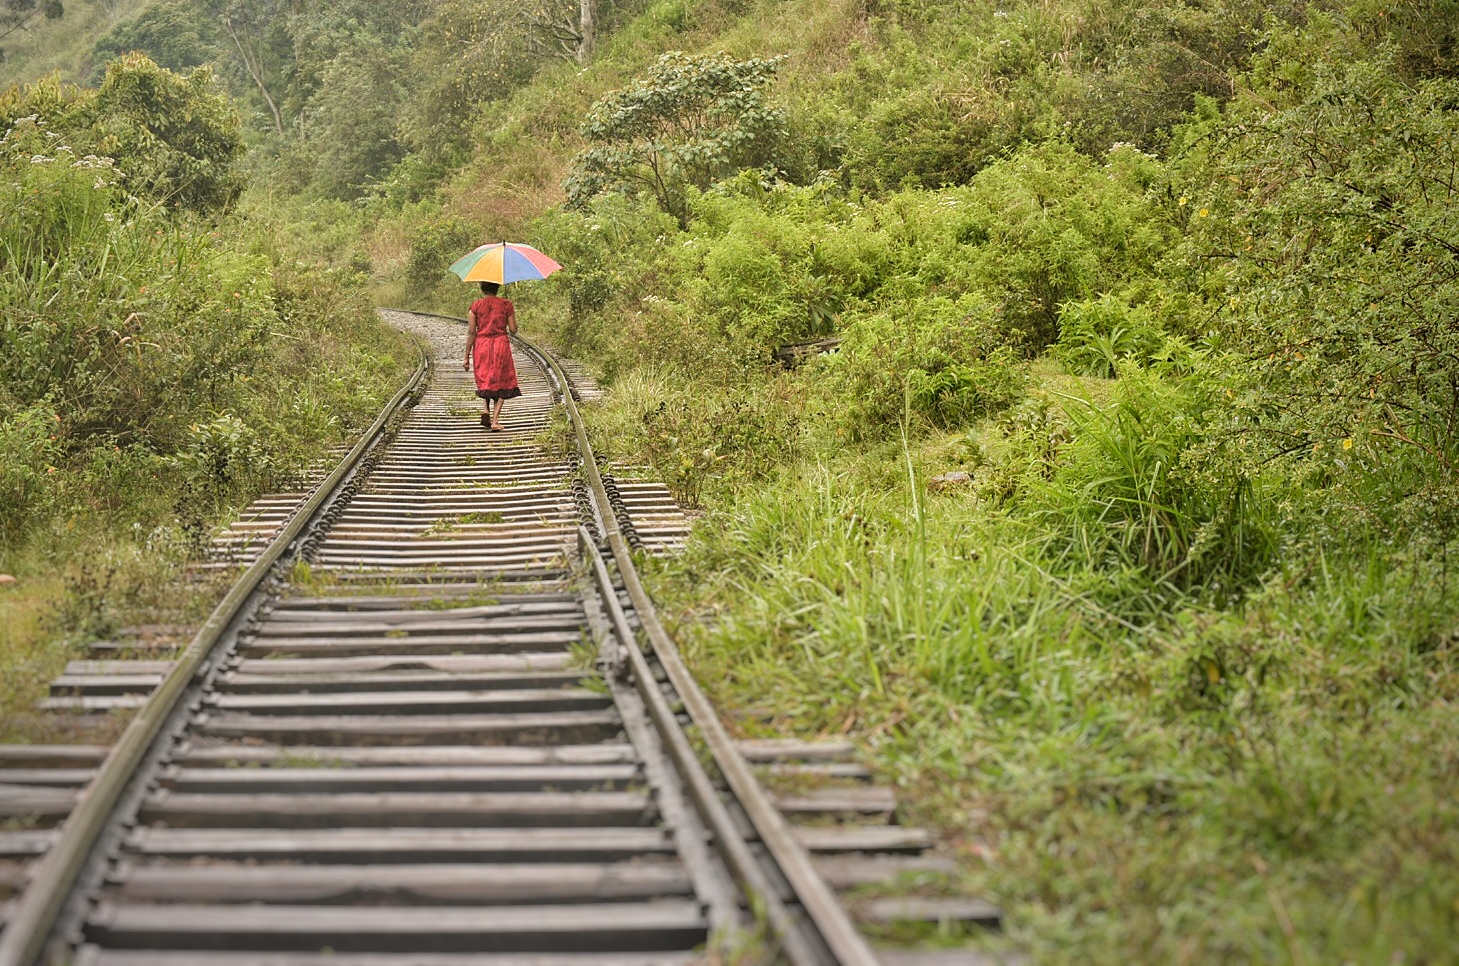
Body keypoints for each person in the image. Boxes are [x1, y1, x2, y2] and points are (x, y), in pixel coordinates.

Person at [463, 281, 521, 430]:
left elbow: (471, 332)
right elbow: (513, 329)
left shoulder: (475, 306)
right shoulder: (506, 304)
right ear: (497, 288)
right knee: (503, 380)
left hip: (482, 345)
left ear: (482, 289)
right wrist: (511, 313)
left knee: (485, 377)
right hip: (500, 344)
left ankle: (485, 408)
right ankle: (495, 421)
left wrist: (466, 356)